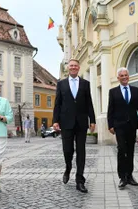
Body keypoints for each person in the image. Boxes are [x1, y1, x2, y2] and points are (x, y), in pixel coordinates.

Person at [53, 59, 96, 193]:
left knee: (81, 151)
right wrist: (55, 120)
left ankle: (80, 180)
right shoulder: (61, 84)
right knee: (67, 150)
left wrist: (92, 120)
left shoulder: (85, 84)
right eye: (71, 66)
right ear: (68, 68)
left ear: (78, 68)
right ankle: (68, 168)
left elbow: (89, 102)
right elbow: (57, 104)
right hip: (66, 122)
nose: (73, 68)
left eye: (75, 66)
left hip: (81, 122)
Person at [107, 67, 138, 190]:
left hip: (132, 125)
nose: (124, 77)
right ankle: (122, 177)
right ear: (118, 78)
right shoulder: (113, 92)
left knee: (130, 151)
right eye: (121, 75)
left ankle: (129, 176)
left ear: (128, 76)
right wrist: (110, 125)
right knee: (121, 149)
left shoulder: (136, 90)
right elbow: (110, 110)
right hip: (119, 126)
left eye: (126, 75)